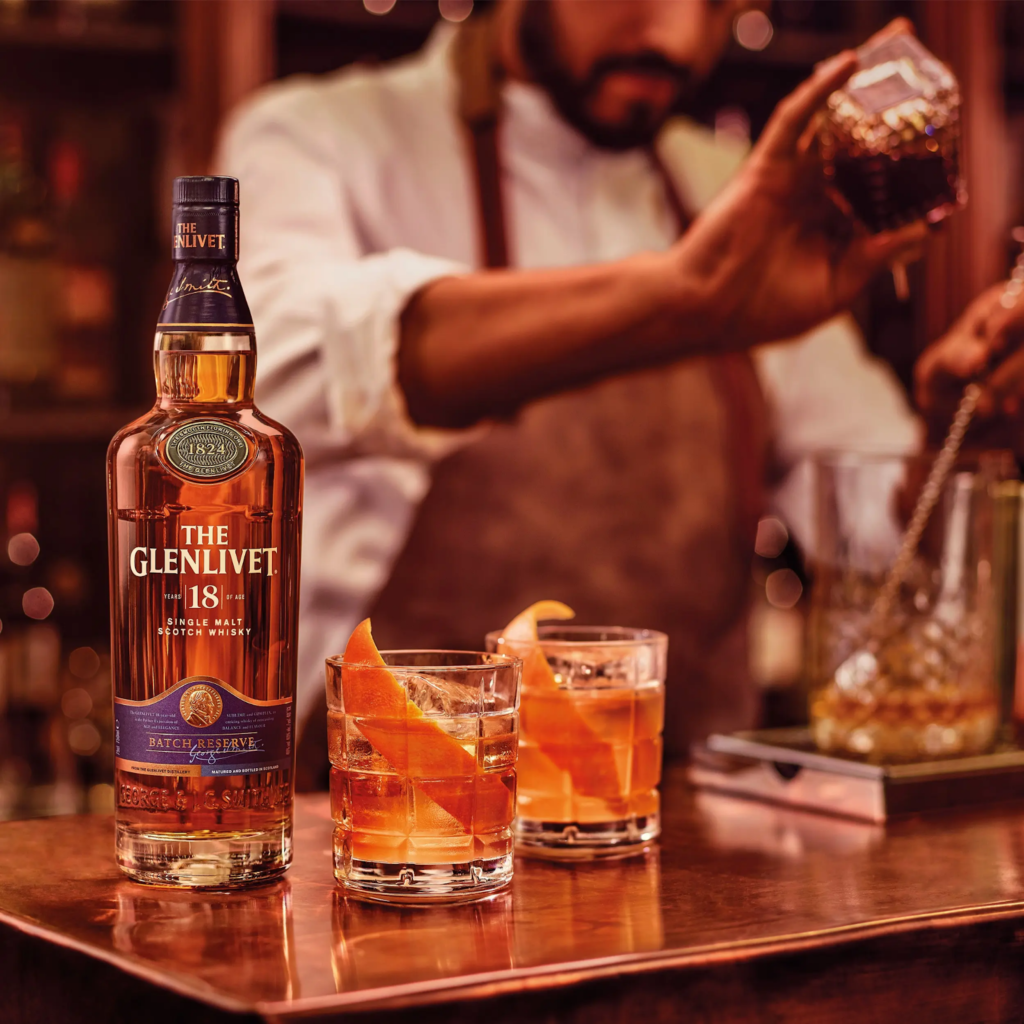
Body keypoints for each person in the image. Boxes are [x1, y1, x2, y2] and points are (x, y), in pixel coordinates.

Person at [216, 1, 933, 778]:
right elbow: (265, 375)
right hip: (401, 817)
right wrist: (679, 299)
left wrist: (969, 439)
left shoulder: (727, 190)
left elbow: (876, 528)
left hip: (681, 824)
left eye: (715, 3)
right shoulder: (318, 136)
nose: (675, 37)